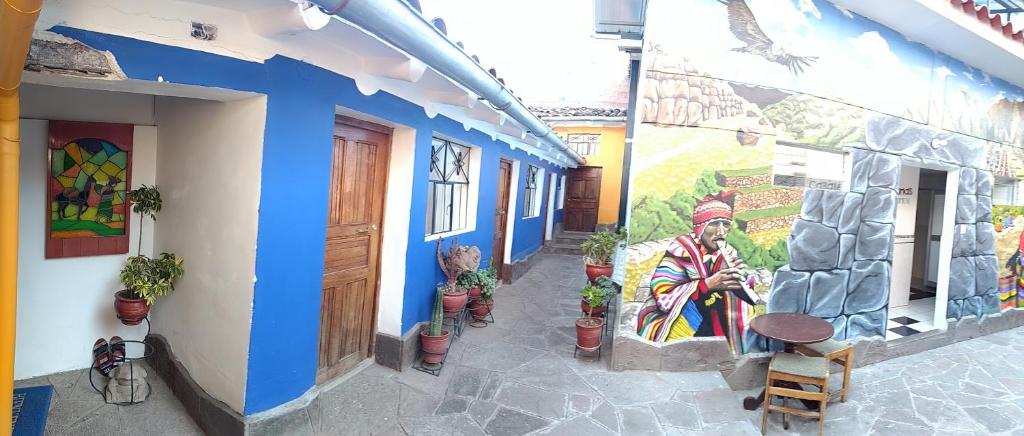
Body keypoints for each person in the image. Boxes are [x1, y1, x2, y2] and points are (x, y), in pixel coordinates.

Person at [635, 191, 759, 354]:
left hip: (710, 313)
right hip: (673, 315)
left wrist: (740, 281)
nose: (721, 231)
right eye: (714, 224)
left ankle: (732, 351)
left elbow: (742, 288)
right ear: (701, 227)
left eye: (726, 224)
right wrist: (707, 284)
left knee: (738, 304)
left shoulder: (728, 251)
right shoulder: (681, 250)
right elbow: (663, 293)